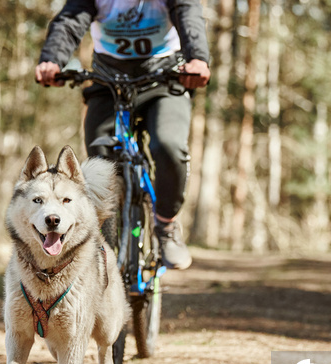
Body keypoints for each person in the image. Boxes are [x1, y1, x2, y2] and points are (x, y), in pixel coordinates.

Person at [35, 0, 210, 270]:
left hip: (163, 78)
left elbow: (188, 12)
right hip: (109, 81)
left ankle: (166, 225)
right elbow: (70, 20)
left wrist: (197, 58)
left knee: (169, 146)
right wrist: (52, 59)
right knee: (99, 161)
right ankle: (104, 242)